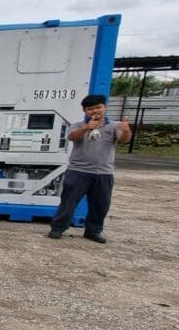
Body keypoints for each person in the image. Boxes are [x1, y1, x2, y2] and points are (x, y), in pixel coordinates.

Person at [48, 94, 131, 243]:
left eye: (98, 107)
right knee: (68, 202)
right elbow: (72, 137)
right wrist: (86, 128)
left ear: (105, 107)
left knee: (100, 204)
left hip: (103, 173)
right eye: (90, 109)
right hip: (78, 171)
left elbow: (124, 140)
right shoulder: (78, 125)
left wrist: (126, 130)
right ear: (84, 110)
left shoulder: (114, 126)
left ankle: (93, 230)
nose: (95, 111)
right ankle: (58, 228)